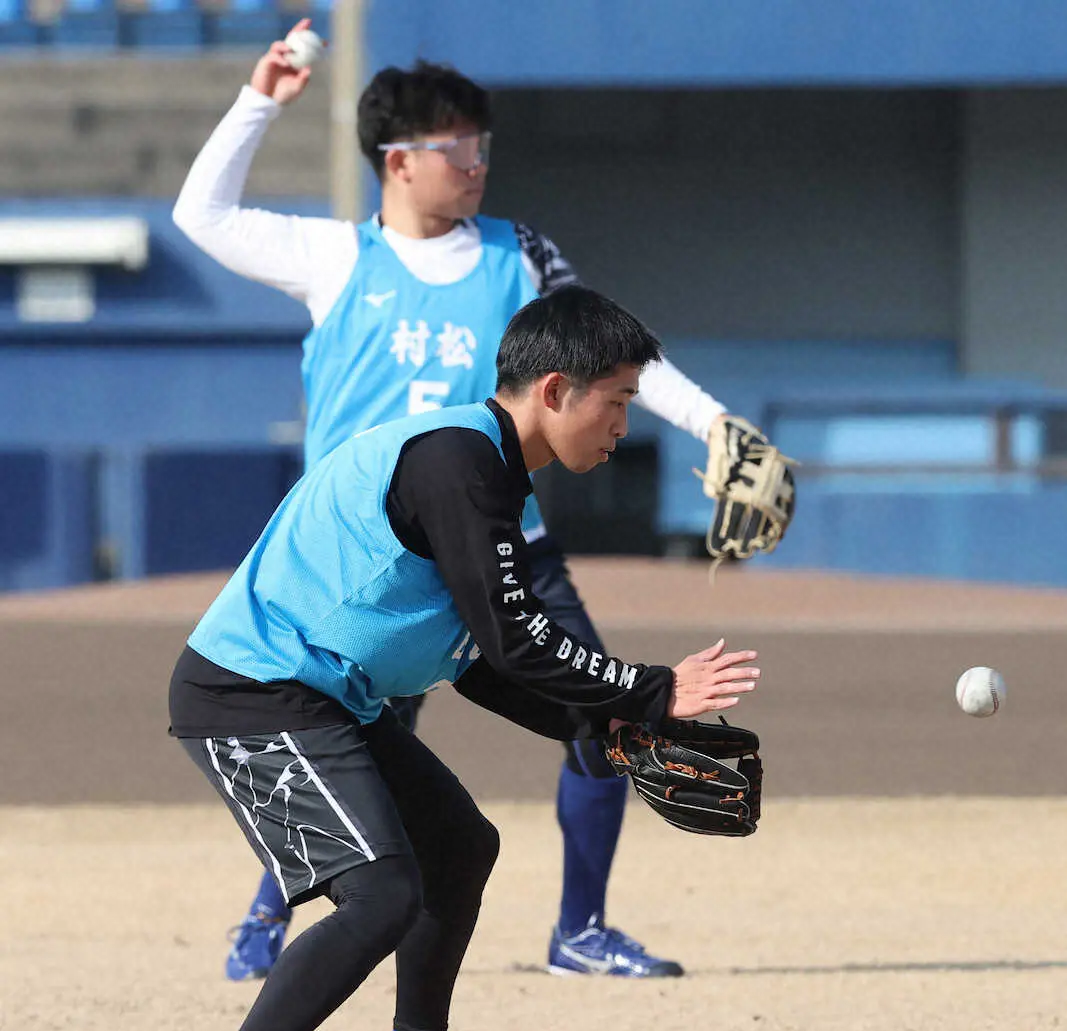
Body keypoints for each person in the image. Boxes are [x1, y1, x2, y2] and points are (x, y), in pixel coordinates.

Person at [172, 28, 773, 980]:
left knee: (596, 699)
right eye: (459, 149)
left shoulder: (518, 253)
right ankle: (271, 913)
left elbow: (615, 358)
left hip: (511, 539)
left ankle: (581, 927)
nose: (478, 165)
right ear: (397, 160)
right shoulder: (333, 256)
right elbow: (200, 215)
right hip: (375, 567)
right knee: (341, 742)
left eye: (483, 146)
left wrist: (717, 426)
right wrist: (264, 99)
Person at [165, 288, 761, 1031]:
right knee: (380, 894)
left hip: (327, 696)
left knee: (459, 848)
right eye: (618, 400)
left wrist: (604, 728)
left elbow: (479, 661)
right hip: (254, 692)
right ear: (555, 390)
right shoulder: (458, 462)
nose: (624, 425)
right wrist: (648, 691)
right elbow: (516, 639)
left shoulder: (485, 471)